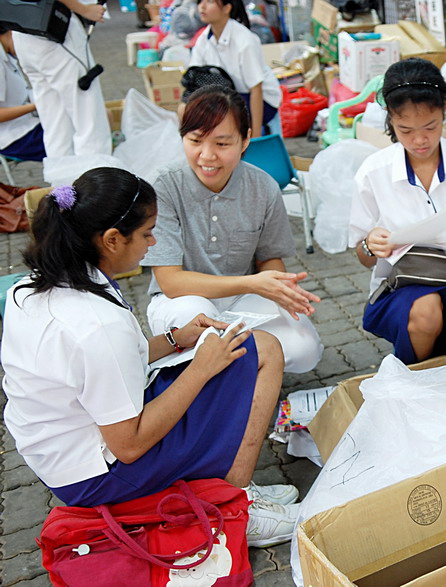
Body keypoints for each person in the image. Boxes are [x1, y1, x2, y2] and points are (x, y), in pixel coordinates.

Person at [1, 167, 302, 547]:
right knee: (256, 353)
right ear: (112, 239)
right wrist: (201, 368)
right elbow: (129, 444)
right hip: (97, 474)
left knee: (255, 347)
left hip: (62, 450)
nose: (152, 241)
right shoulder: (96, 324)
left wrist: (176, 339)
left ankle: (231, 492)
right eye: (146, 233)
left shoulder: (33, 285)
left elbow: (109, 362)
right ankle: (233, 507)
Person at [143, 86, 323, 374]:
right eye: (195, 141)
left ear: (245, 140)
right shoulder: (162, 186)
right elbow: (171, 282)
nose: (207, 156)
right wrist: (254, 283)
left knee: (305, 351)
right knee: (201, 330)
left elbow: (269, 259)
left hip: (244, 299)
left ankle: (237, 370)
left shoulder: (263, 187)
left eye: (222, 144)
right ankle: (233, 375)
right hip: (182, 300)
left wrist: (279, 287)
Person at [349, 58, 446, 364]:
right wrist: (371, 244)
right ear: (390, 120)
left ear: (445, 110)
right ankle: (420, 372)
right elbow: (363, 256)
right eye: (405, 130)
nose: (419, 140)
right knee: (426, 309)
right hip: (405, 287)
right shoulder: (372, 174)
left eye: (430, 127)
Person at [11, 0, 112, 158]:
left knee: (54, 120)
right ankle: (94, 177)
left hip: (24, 28)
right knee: (87, 118)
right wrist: (84, 9)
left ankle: (61, 179)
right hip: (55, 29)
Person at [187, 0, 281, 137]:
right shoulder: (203, 40)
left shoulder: (245, 40)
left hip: (260, 101)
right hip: (231, 97)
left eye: (210, 1)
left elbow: (256, 90)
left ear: (227, 8)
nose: (202, 6)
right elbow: (195, 78)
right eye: (201, 1)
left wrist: (254, 136)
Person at [0, 24, 46, 161]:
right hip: (15, 137)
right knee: (80, 135)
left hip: (28, 124)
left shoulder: (6, 53)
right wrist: (36, 105)